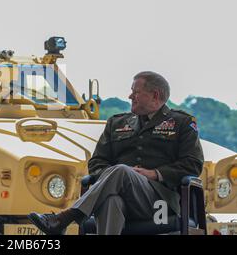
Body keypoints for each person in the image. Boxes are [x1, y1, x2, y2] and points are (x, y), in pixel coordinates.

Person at [28, 71, 204, 235]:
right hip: (123, 198)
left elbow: (193, 164)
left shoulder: (182, 123)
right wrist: (115, 177)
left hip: (161, 202)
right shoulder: (117, 123)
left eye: (136, 92)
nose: (130, 96)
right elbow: (97, 162)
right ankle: (64, 219)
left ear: (155, 96)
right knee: (111, 199)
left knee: (121, 170)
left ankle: (66, 218)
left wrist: (154, 174)